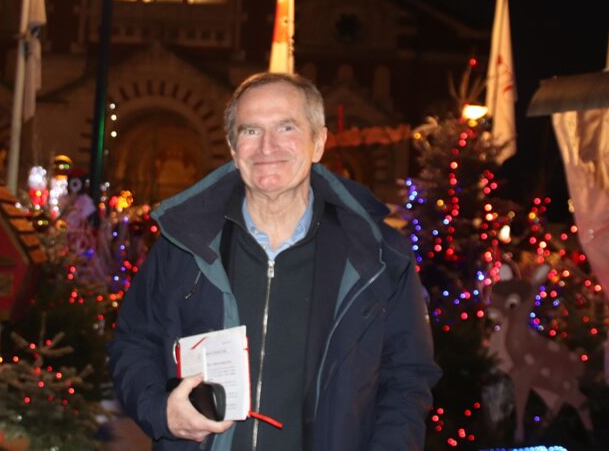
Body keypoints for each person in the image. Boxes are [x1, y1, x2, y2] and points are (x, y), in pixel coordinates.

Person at [108, 72, 441, 450]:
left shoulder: (377, 254)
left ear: (318, 142)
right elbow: (134, 342)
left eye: (286, 128)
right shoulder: (184, 242)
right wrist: (160, 409)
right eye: (250, 131)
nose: (267, 146)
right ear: (234, 149)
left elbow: (406, 377)